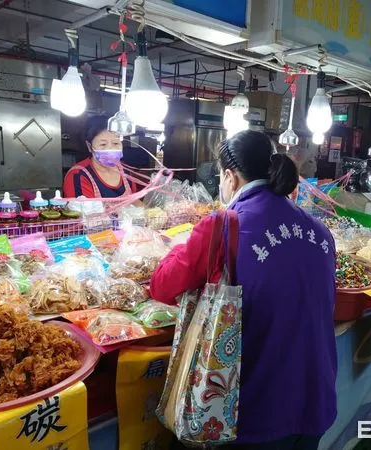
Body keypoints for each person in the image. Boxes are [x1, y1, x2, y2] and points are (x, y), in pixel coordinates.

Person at [150, 130, 338, 449]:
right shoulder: (320, 231)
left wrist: (177, 248)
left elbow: (162, 286)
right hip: (316, 398)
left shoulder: (222, 225)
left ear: (229, 176)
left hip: (256, 409)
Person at [63, 116, 141, 198]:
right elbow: (80, 209)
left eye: (116, 143)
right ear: (89, 146)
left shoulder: (126, 171)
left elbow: (134, 202)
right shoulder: (77, 175)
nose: (110, 148)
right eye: (103, 144)